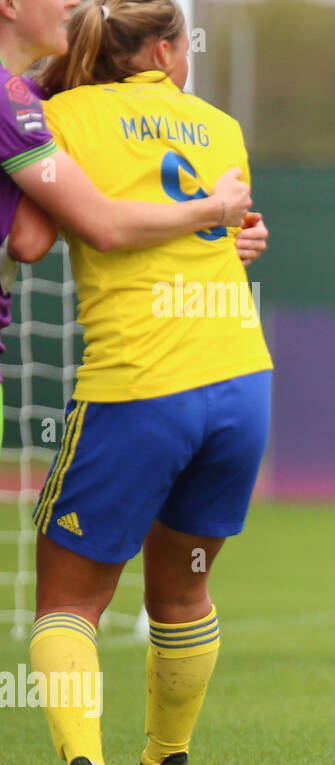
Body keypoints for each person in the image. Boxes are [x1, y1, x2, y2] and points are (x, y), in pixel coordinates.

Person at [18, 0, 271, 765]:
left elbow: (26, 237)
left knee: (67, 602)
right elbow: (230, 230)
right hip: (239, 385)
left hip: (139, 385)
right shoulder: (221, 128)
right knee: (184, 593)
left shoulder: (59, 114)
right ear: (167, 49)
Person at [0, 0, 256, 450]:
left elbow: (30, 239)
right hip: (220, 378)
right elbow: (97, 226)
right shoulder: (19, 103)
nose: (70, 2)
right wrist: (215, 212)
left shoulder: (37, 106)